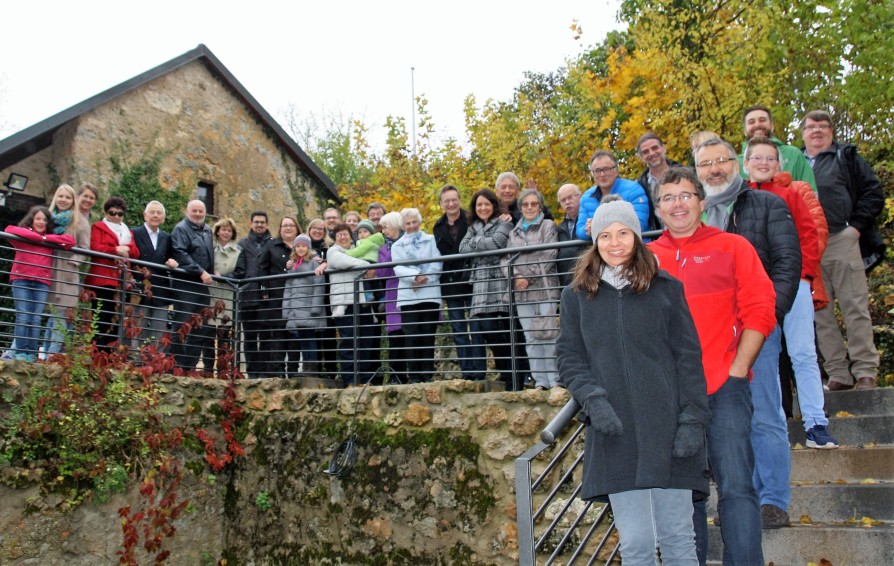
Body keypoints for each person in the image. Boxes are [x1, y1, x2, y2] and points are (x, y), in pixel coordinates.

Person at [557, 196, 709, 563]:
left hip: (669, 430)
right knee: (638, 544)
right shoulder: (577, 296)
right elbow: (569, 357)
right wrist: (593, 399)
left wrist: (692, 420)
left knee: (678, 539)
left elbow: (689, 360)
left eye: (623, 233)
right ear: (595, 241)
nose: (615, 243)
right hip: (615, 433)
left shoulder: (666, 289)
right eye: (606, 235)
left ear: (637, 237)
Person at [649, 167, 774, 565]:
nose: (678, 204)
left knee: (736, 488)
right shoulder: (647, 259)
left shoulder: (733, 247)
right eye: (668, 198)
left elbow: (760, 310)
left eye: (686, 195)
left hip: (724, 387)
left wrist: (737, 370)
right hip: (671, 398)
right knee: (686, 496)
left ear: (702, 202)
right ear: (658, 209)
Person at [696, 137, 801, 530]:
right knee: (725, 423)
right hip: (711, 337)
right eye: (705, 165)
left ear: (735, 163)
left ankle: (773, 498)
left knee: (764, 415)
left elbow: (788, 264)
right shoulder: (694, 214)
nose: (714, 170)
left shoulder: (767, 205)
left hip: (757, 330)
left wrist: (768, 319)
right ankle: (739, 500)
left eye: (720, 161)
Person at [744, 136, 839, 449]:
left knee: (803, 353)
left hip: (795, 282)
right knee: (765, 358)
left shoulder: (792, 193)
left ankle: (816, 423)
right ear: (746, 163)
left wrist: (805, 276)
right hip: (756, 288)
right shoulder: (739, 198)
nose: (763, 164)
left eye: (769, 159)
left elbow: (808, 235)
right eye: (757, 158)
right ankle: (773, 428)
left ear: (778, 163)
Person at [801, 109, 884, 390]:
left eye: (823, 126)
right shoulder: (795, 162)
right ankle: (837, 374)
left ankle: (865, 371)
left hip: (841, 240)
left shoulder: (845, 157)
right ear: (803, 133)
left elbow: (873, 192)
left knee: (854, 307)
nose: (817, 131)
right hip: (809, 247)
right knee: (820, 313)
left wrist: (855, 228)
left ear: (831, 131)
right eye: (811, 126)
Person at [503, 189, 560, 389]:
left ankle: (555, 380)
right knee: (530, 337)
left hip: (545, 289)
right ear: (520, 207)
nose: (529, 207)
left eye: (533, 204)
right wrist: (516, 276)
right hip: (522, 293)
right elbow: (506, 259)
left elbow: (549, 254)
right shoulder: (513, 232)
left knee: (550, 335)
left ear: (540, 206)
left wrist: (528, 276)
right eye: (525, 204)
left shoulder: (548, 226)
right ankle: (540, 381)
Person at [459, 189, 514, 387]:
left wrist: (476, 242)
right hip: (480, 284)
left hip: (498, 282)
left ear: (493, 205)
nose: (482, 208)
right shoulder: (472, 226)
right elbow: (462, 249)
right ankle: (505, 372)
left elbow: (497, 243)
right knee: (485, 330)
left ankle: (511, 374)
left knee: (500, 330)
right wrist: (483, 243)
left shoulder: (504, 222)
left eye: (486, 204)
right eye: (479, 205)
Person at [6, 206, 75, 361]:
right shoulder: (24, 236)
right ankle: (20, 351)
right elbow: (9, 229)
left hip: (41, 282)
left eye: (44, 219)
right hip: (21, 280)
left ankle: (31, 353)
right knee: (23, 316)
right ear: (31, 219)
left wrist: (44, 239)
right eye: (38, 218)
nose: (41, 222)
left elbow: (70, 241)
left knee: (35, 318)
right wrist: (35, 237)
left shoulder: (50, 238)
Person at [433, 184, 486, 380]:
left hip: (471, 280)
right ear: (441, 204)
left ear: (459, 200)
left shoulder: (472, 219)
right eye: (447, 200)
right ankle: (467, 372)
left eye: (454, 199)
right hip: (450, 283)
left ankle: (479, 371)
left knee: (476, 326)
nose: (451, 203)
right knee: (458, 329)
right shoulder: (437, 226)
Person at [392, 208, 443, 383]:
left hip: (430, 293)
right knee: (411, 335)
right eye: (408, 223)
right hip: (408, 295)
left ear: (419, 222)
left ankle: (427, 374)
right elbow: (398, 267)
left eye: (414, 222)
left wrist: (423, 278)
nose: (412, 226)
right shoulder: (397, 245)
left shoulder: (431, 240)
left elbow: (437, 262)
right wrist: (414, 276)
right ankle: (414, 375)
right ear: (403, 226)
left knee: (428, 334)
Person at [84, 197, 140, 351]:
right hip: (102, 279)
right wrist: (115, 249)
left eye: (119, 214)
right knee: (100, 318)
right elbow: (94, 247)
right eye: (112, 213)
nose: (116, 216)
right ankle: (96, 355)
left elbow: (136, 252)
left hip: (121, 281)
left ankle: (108, 357)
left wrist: (126, 248)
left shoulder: (127, 231)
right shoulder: (98, 227)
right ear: (106, 212)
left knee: (116, 320)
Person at [326, 222, 378, 386]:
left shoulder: (359, 250)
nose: (343, 236)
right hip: (345, 303)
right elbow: (343, 262)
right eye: (339, 234)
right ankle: (350, 381)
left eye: (345, 233)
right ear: (335, 238)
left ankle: (363, 380)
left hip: (363, 303)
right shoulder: (333, 251)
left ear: (350, 235)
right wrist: (368, 265)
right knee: (349, 342)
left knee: (365, 342)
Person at [42, 184, 91, 356]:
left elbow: (85, 248)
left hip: (67, 273)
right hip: (48, 269)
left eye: (67, 197)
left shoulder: (80, 222)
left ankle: (52, 355)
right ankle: (45, 354)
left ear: (73, 201)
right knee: (52, 314)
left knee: (62, 314)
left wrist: (74, 262)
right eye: (60, 196)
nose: (63, 200)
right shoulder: (47, 218)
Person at [169, 200, 214, 371]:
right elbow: (180, 253)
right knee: (181, 325)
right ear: (187, 211)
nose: (197, 214)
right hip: (186, 284)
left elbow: (207, 254)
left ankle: (190, 366)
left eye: (200, 211)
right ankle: (177, 366)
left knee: (201, 327)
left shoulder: (207, 230)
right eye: (194, 210)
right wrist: (201, 271)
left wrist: (211, 271)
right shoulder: (181, 229)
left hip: (202, 286)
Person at [258, 216, 303, 377]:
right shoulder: (271, 245)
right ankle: (277, 373)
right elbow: (262, 268)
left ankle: (292, 372)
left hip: (297, 297)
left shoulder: (302, 245)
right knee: (277, 334)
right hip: (276, 296)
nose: (288, 228)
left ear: (297, 228)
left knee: (293, 334)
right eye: (285, 225)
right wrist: (264, 291)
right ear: (280, 229)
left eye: (291, 225)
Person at [131, 201, 177, 350]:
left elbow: (172, 257)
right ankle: (136, 362)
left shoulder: (167, 237)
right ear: (145, 215)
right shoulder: (135, 233)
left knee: (158, 329)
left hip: (161, 290)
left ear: (163, 217)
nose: (155, 215)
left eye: (159, 213)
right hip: (140, 288)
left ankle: (155, 364)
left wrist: (173, 262)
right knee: (138, 328)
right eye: (152, 212)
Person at [738, 105, 817, 190]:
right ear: (745, 131)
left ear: (772, 126)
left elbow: (810, 195)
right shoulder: (736, 163)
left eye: (762, 120)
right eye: (751, 122)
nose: (757, 124)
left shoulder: (794, 155)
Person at [576, 150, 650, 239]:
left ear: (616, 170)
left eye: (607, 169)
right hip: (601, 249)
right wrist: (588, 230)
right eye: (597, 171)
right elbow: (580, 230)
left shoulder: (634, 190)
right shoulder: (586, 197)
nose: (602, 174)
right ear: (592, 174)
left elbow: (640, 224)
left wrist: (597, 226)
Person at [234, 211, 273, 378]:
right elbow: (238, 269)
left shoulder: (272, 243)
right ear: (251, 223)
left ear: (266, 224)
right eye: (256, 222)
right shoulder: (242, 244)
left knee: (265, 337)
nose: (259, 225)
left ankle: (264, 372)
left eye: (262, 222)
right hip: (247, 296)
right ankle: (252, 372)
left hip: (266, 297)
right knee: (249, 337)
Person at [283, 234, 326, 376]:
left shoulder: (314, 263)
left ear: (308, 247)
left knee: (310, 338)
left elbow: (319, 285)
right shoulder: (293, 265)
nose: (301, 248)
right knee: (302, 338)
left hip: (309, 308)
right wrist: (286, 309)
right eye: (298, 246)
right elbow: (288, 288)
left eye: (303, 246)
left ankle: (312, 367)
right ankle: (305, 367)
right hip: (295, 309)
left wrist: (315, 307)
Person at [376, 212, 407, 383]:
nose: (383, 231)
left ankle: (415, 375)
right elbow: (382, 272)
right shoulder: (383, 249)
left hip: (411, 292)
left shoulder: (409, 241)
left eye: (385, 227)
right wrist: (390, 250)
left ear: (396, 225)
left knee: (410, 335)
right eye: (382, 228)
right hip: (393, 295)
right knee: (395, 336)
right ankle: (396, 376)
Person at [207, 217, 241, 374]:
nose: (226, 233)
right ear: (217, 231)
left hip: (227, 295)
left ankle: (222, 370)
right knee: (207, 335)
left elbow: (240, 272)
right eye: (223, 229)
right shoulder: (209, 248)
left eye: (229, 230)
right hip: (210, 293)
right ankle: (207, 369)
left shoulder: (238, 251)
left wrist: (225, 277)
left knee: (224, 335)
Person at [635, 132, 680, 230]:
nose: (651, 153)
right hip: (659, 238)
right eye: (646, 152)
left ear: (664, 148)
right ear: (642, 157)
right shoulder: (640, 186)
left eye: (655, 148)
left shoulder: (684, 175)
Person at [555, 183, 586, 285]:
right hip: (567, 282)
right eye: (563, 200)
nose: (567, 202)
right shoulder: (559, 228)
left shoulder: (590, 221)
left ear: (580, 196)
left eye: (570, 197)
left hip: (588, 278)